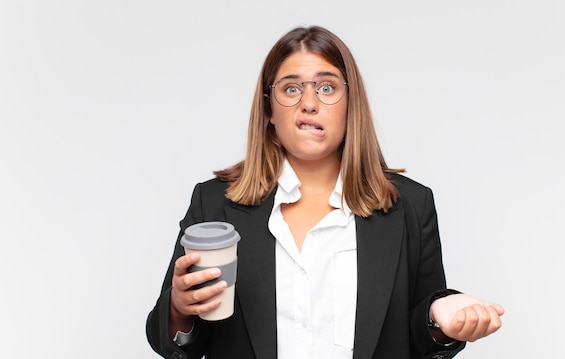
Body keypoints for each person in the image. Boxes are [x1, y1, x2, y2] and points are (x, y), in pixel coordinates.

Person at [146, 25, 504, 359]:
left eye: (327, 87)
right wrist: (179, 307)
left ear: (351, 104)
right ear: (269, 108)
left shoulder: (410, 205)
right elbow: (174, 341)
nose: (309, 102)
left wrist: (439, 319)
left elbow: (414, 335)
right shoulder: (215, 204)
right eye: (291, 88)